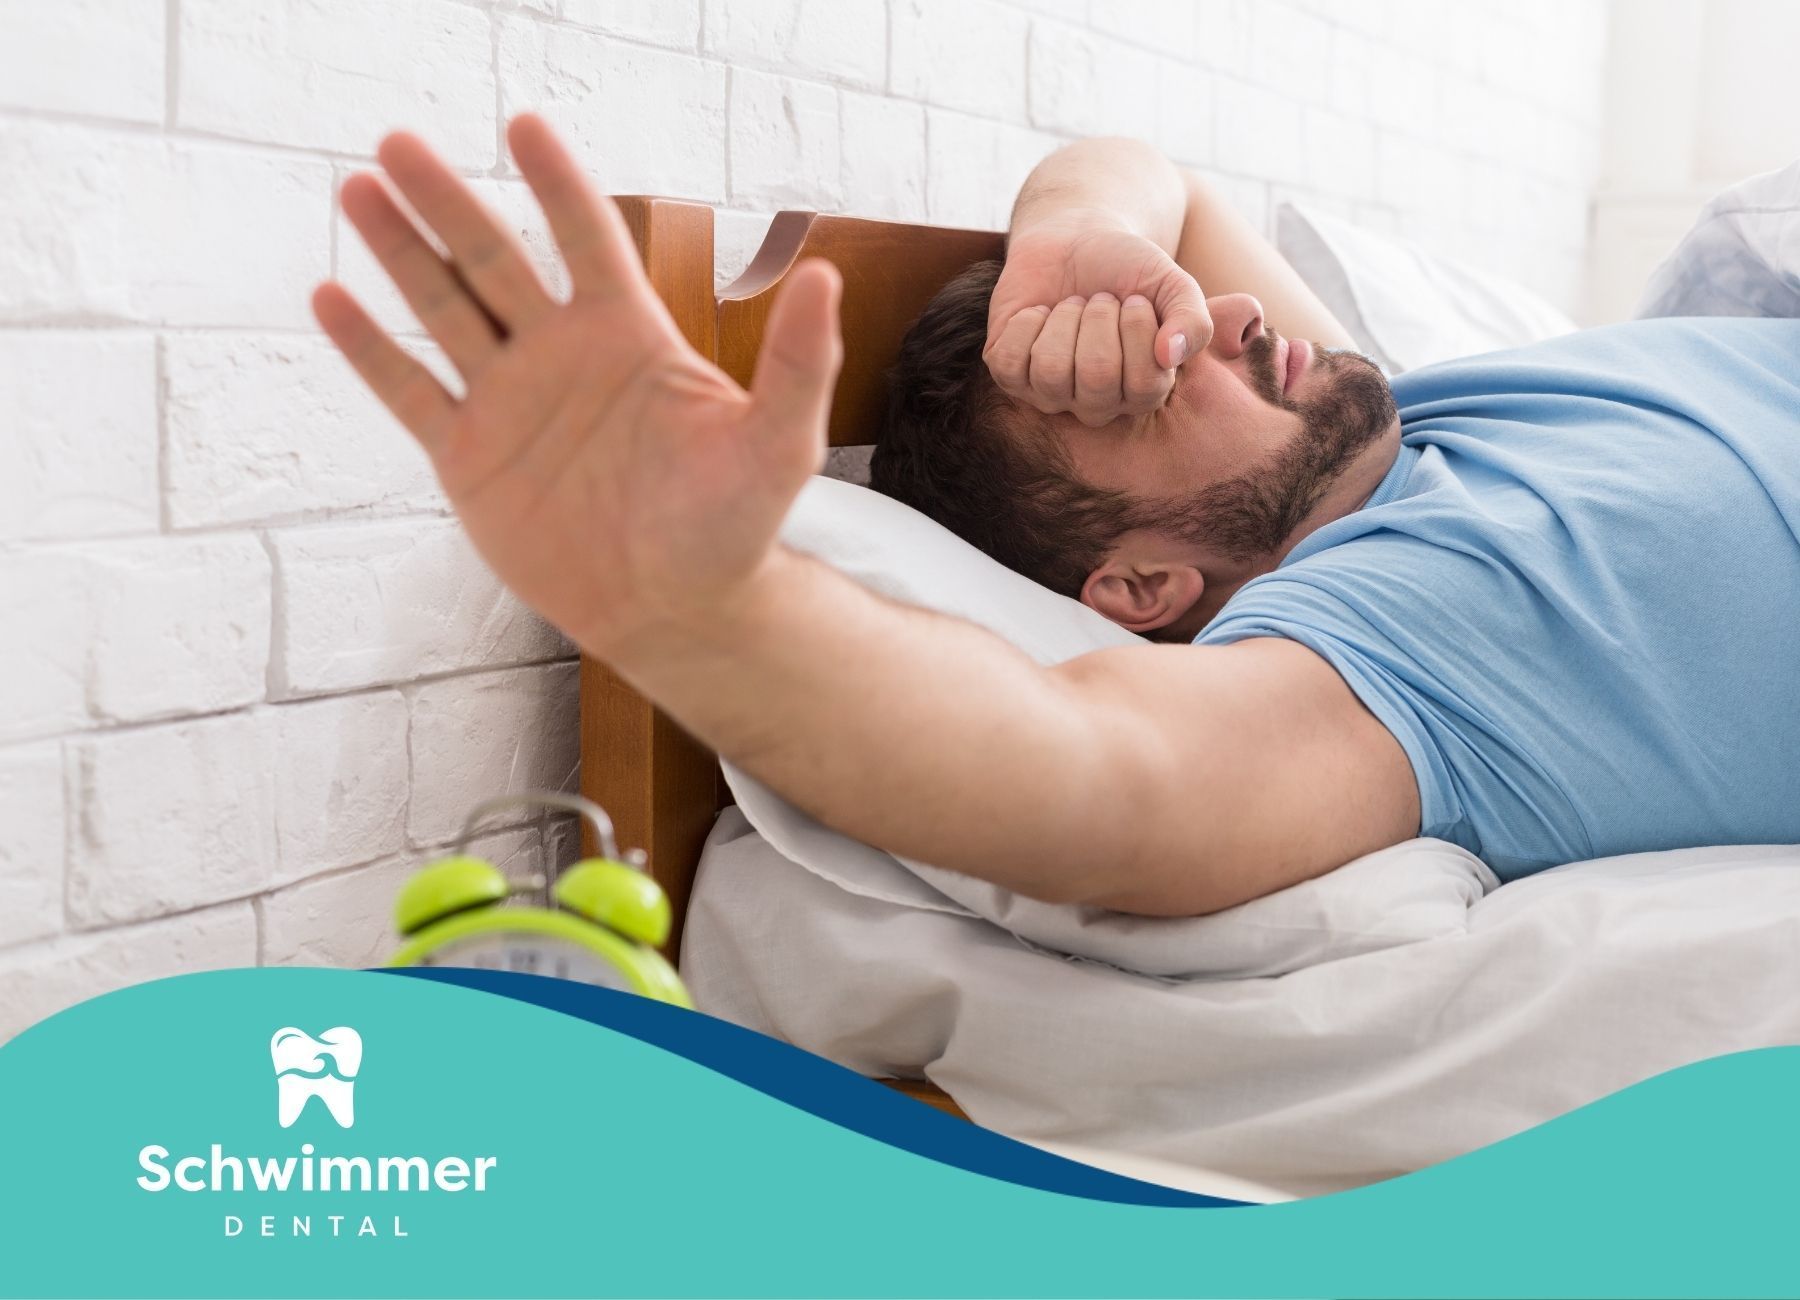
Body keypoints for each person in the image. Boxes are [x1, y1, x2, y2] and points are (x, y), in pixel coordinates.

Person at [315, 117, 1800, 915]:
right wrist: (701, 607)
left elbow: (1163, 178)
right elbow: (1100, 782)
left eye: (1167, 324)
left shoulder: (1385, 419)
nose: (1216, 317)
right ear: (1144, 584)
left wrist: (1071, 242)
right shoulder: (1392, 647)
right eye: (1144, 389)